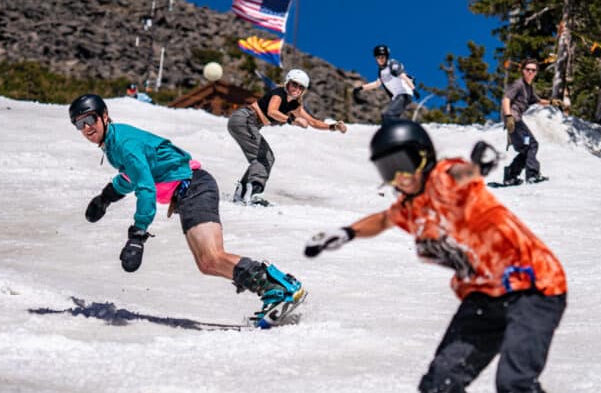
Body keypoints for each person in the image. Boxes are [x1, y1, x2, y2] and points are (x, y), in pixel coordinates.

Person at [304, 119, 581, 393]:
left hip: (533, 287)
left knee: (515, 384)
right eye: (386, 170)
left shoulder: (444, 178)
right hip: (484, 298)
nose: (395, 178)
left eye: (399, 165)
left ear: (420, 157)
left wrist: (480, 164)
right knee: (440, 386)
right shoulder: (411, 206)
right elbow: (383, 219)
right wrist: (345, 232)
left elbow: (463, 173)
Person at [68, 94, 304, 326]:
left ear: (104, 116)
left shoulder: (123, 144)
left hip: (193, 187)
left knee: (211, 256)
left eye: (90, 119)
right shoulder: (115, 142)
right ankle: (274, 287)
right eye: (79, 124)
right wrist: (107, 196)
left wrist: (137, 235)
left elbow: (146, 188)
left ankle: (278, 288)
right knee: (207, 263)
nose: (86, 127)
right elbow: (135, 174)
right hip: (190, 190)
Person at [227, 68, 347, 206]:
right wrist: (292, 120)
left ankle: (241, 194)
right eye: (294, 84)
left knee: (263, 158)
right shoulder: (279, 94)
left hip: (247, 122)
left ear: (304, 90)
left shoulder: (294, 105)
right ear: (287, 83)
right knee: (264, 157)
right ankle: (253, 193)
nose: (296, 88)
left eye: (300, 87)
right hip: (245, 119)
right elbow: (272, 111)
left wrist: (333, 126)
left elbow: (313, 122)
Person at [500, 59, 562, 185]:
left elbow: (537, 100)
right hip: (514, 120)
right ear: (523, 71)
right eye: (528, 69)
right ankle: (532, 175)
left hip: (515, 121)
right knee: (532, 144)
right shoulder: (518, 85)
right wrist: (508, 117)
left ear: (536, 73)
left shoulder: (529, 88)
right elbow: (506, 99)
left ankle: (510, 176)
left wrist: (550, 102)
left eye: (533, 70)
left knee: (526, 148)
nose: (530, 72)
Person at [356, 44, 417, 123]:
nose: (380, 59)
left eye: (382, 57)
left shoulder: (393, 64)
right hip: (397, 96)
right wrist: (360, 88)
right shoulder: (381, 72)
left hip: (404, 94)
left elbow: (403, 75)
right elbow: (377, 84)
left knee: (388, 115)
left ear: (387, 56)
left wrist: (413, 89)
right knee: (390, 117)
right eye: (378, 57)